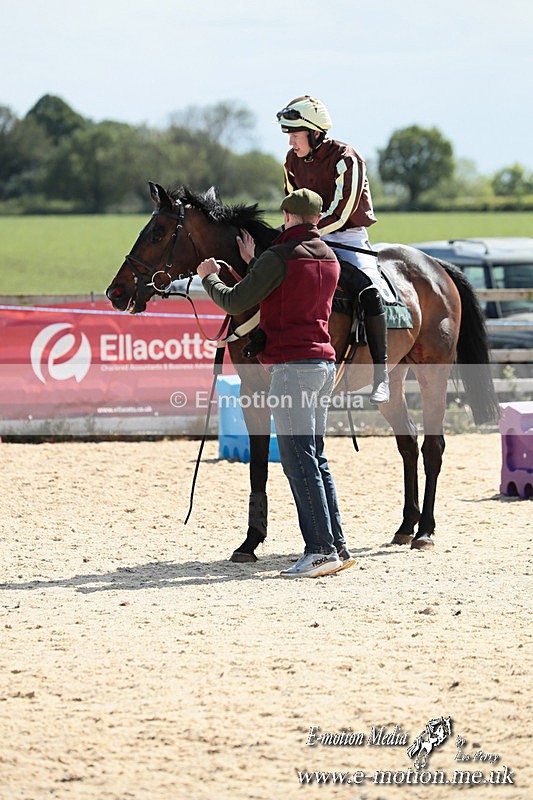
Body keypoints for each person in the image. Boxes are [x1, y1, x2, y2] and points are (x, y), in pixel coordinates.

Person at [196, 188, 355, 579]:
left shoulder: (279, 257)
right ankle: (337, 544)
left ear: (286, 216)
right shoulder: (329, 257)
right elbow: (291, 290)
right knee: (316, 457)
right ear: (316, 220)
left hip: (291, 368)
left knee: (297, 460)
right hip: (322, 366)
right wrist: (255, 263)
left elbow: (234, 302)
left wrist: (209, 278)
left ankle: (319, 551)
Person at [277, 95, 390, 404]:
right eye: (289, 134)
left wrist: (303, 233)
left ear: (315, 133)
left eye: (295, 134)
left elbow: (341, 213)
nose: (290, 140)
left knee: (369, 290)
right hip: (307, 236)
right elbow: (291, 205)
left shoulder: (346, 158)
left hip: (348, 237)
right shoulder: (291, 161)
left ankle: (382, 376)